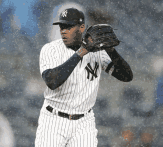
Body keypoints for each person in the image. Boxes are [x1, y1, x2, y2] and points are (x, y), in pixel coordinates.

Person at [35, 7, 133, 147]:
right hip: (53, 120)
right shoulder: (50, 49)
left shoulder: (97, 52)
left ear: (81, 28)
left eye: (68, 27)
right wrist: (82, 52)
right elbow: (52, 81)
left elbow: (126, 76)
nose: (63, 30)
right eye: (62, 26)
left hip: (84, 122)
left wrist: (111, 51)